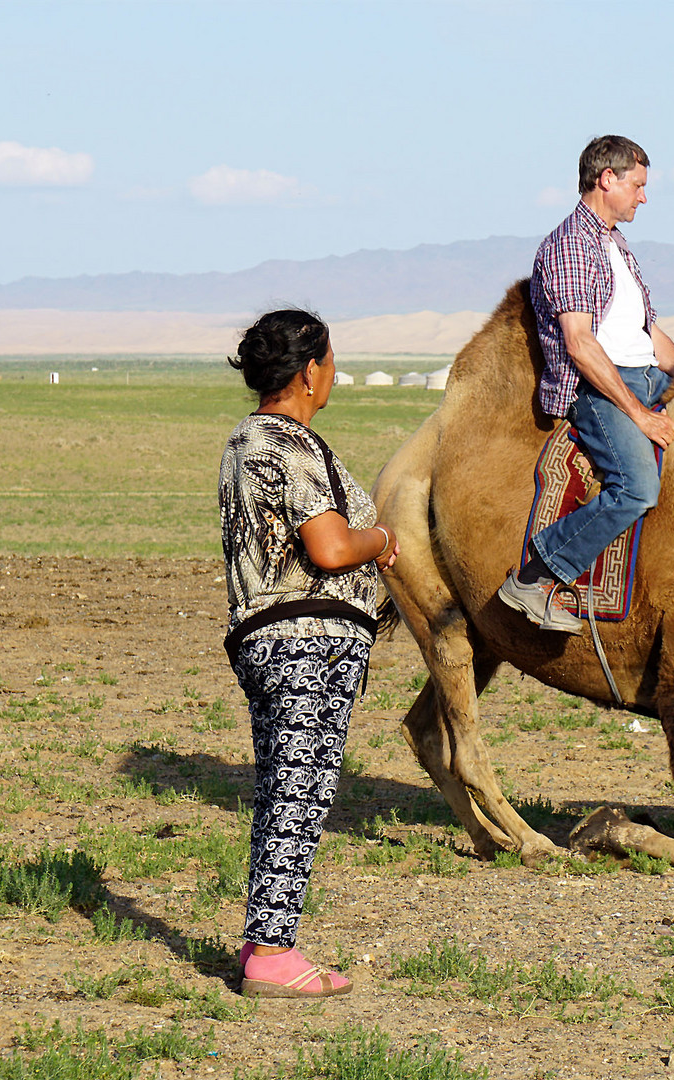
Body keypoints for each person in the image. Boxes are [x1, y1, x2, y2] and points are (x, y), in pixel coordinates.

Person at [219, 309, 398, 997]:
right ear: (309, 370)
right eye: (330, 361)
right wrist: (380, 540)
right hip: (309, 644)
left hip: (269, 638)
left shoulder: (245, 440)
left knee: (282, 789)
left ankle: (265, 940)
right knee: (302, 791)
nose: (333, 375)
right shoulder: (288, 444)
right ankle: (271, 955)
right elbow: (327, 547)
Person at [498, 134, 674, 634]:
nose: (643, 197)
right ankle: (534, 577)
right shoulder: (568, 245)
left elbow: (647, 330)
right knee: (635, 489)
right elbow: (581, 344)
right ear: (608, 179)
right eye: (638, 185)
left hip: (645, 375)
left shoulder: (614, 244)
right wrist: (640, 413)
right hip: (599, 389)